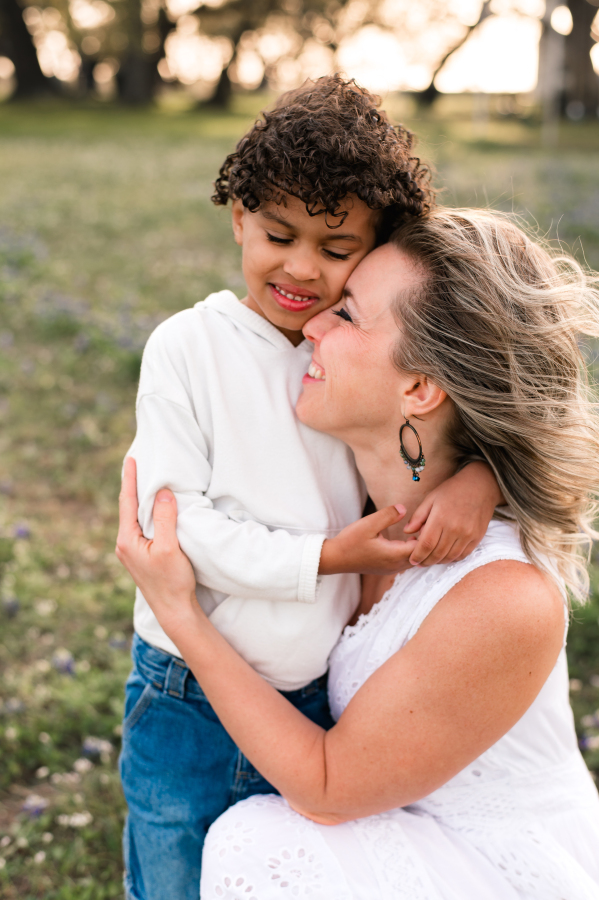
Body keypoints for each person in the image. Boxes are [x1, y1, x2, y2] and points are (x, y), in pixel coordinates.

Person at [117, 207, 599, 899]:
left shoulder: (502, 597)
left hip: (483, 865)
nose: (309, 325)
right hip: (396, 824)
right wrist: (480, 472)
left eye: (345, 315)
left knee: (257, 843)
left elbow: (326, 791)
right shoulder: (366, 497)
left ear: (419, 388)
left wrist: (181, 613)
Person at [119, 76, 503, 900]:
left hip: (311, 695)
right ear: (237, 218)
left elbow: (434, 430)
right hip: (188, 690)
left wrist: (479, 476)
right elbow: (176, 531)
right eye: (276, 234)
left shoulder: (349, 352)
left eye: (335, 252)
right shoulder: (189, 347)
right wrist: (325, 558)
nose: (300, 272)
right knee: (176, 877)